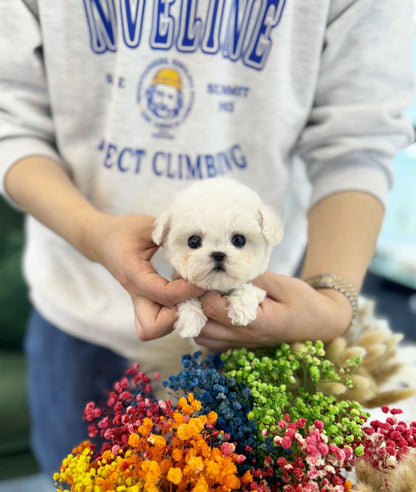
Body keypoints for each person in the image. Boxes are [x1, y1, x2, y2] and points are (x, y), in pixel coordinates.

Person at [0, 0, 414, 479]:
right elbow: (11, 117)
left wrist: (332, 302)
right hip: (76, 317)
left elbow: (359, 139)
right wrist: (92, 233)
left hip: (260, 336)